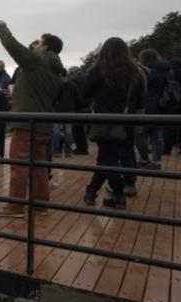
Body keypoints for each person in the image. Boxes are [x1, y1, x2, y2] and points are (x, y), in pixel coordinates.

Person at [0, 21, 66, 218]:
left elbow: (13, 46)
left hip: (25, 121)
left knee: (19, 162)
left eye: (40, 43)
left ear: (46, 47)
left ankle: (15, 206)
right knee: (39, 164)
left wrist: (2, 28)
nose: (37, 45)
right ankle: (41, 204)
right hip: (42, 123)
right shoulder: (56, 72)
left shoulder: (37, 61)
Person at [82, 38, 145, 209]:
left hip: (102, 121)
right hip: (126, 123)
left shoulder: (98, 70)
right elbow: (140, 101)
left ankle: (98, 193)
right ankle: (111, 195)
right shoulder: (135, 72)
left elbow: (85, 93)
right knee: (110, 158)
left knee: (106, 159)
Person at [135, 48, 172, 169]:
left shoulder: (149, 72)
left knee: (139, 134)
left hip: (148, 105)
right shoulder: (167, 70)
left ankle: (144, 159)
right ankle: (156, 161)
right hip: (163, 105)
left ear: (145, 58)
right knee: (157, 135)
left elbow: (141, 88)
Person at [50, 70, 79, 157]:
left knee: (56, 132)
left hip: (57, 111)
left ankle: (55, 151)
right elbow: (77, 99)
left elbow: (53, 98)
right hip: (70, 111)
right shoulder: (73, 85)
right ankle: (68, 152)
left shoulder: (56, 85)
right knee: (68, 132)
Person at [70, 66, 91, 155]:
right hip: (88, 106)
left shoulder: (75, 81)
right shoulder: (87, 77)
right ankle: (84, 148)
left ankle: (81, 149)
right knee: (84, 129)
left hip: (79, 107)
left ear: (73, 73)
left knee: (78, 129)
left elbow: (75, 95)